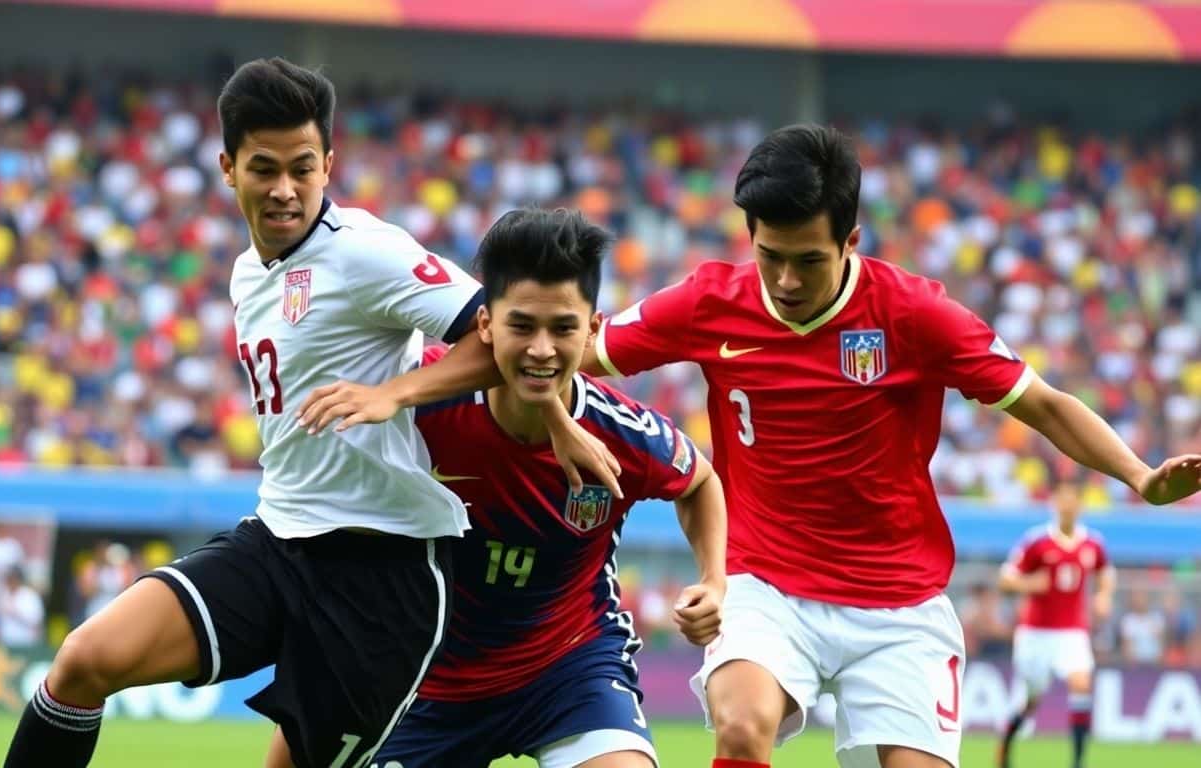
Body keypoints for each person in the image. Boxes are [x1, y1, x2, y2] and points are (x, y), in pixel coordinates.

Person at [298, 124, 1201, 768]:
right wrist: (407, 391)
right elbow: (545, 354)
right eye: (768, 253)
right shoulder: (709, 301)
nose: (783, 276)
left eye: (806, 259)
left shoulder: (915, 315)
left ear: (849, 239)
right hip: (766, 582)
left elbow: (1039, 402)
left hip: (899, 600)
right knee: (738, 728)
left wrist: (1133, 472)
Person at [1, 58, 614, 768]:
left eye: (302, 167)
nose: (284, 189)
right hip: (279, 541)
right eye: (264, 168)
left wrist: (398, 395)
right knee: (84, 660)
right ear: (228, 168)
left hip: (384, 574)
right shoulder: (245, 272)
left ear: (328, 163)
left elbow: (503, 332)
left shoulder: (365, 252)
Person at [271, 208, 726, 768]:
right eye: (522, 327)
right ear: (483, 324)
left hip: (569, 669)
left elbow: (700, 481)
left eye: (563, 329)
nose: (541, 349)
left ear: (592, 329)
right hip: (426, 684)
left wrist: (714, 579)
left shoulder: (625, 435)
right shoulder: (415, 407)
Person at [996, 481, 1114, 768]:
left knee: (1081, 683)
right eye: (1062, 501)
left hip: (1072, 632)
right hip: (1036, 634)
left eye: (1073, 501)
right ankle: (1005, 745)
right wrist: (1029, 583)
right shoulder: (1036, 541)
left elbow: (1105, 572)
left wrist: (1103, 596)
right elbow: (1005, 580)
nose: (1067, 506)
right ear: (1054, 504)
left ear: (1080, 506)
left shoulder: (1093, 543)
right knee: (1031, 701)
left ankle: (1077, 762)